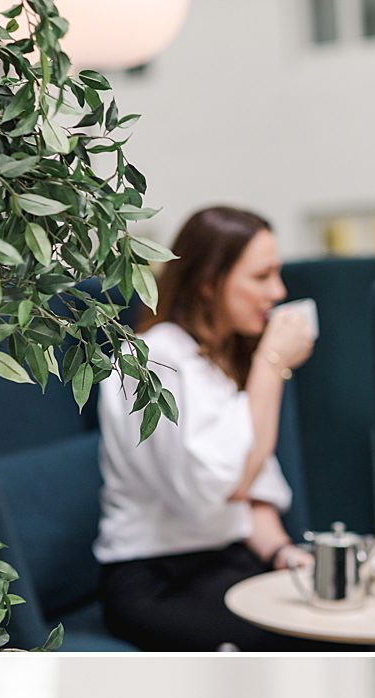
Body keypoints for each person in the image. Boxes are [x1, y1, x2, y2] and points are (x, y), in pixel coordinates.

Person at [93, 206, 316, 650]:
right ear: (210, 282)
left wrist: (282, 553)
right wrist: (271, 365)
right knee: (310, 638)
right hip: (159, 578)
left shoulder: (215, 361)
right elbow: (225, 488)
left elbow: (253, 494)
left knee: (340, 612)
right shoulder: (151, 361)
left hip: (228, 560)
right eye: (262, 276)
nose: (278, 291)